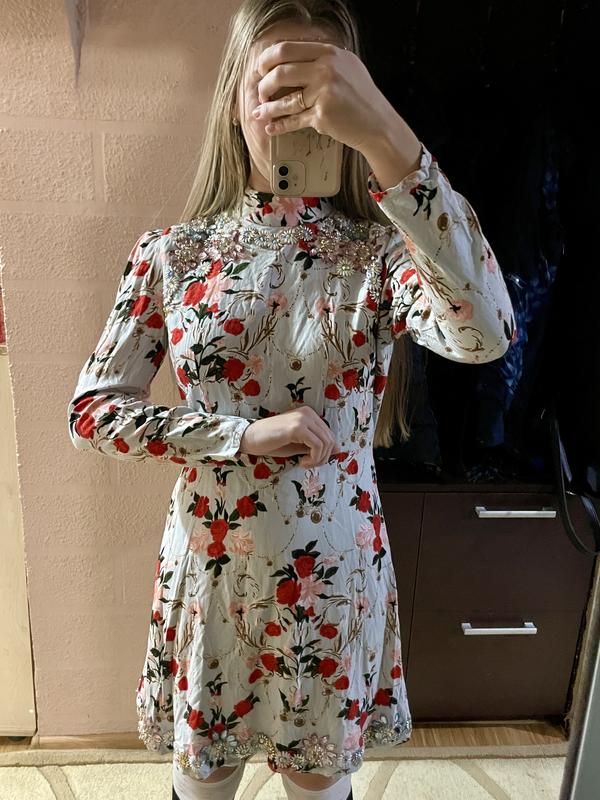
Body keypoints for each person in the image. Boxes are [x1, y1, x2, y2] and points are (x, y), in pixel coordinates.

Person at [67, 1, 515, 798]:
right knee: (203, 786)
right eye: (279, 84)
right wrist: (240, 436)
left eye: (324, 89)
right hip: (214, 579)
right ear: (234, 97)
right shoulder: (174, 255)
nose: (298, 111)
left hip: (331, 584)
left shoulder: (381, 257)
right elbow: (92, 413)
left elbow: (486, 333)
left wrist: (388, 137)